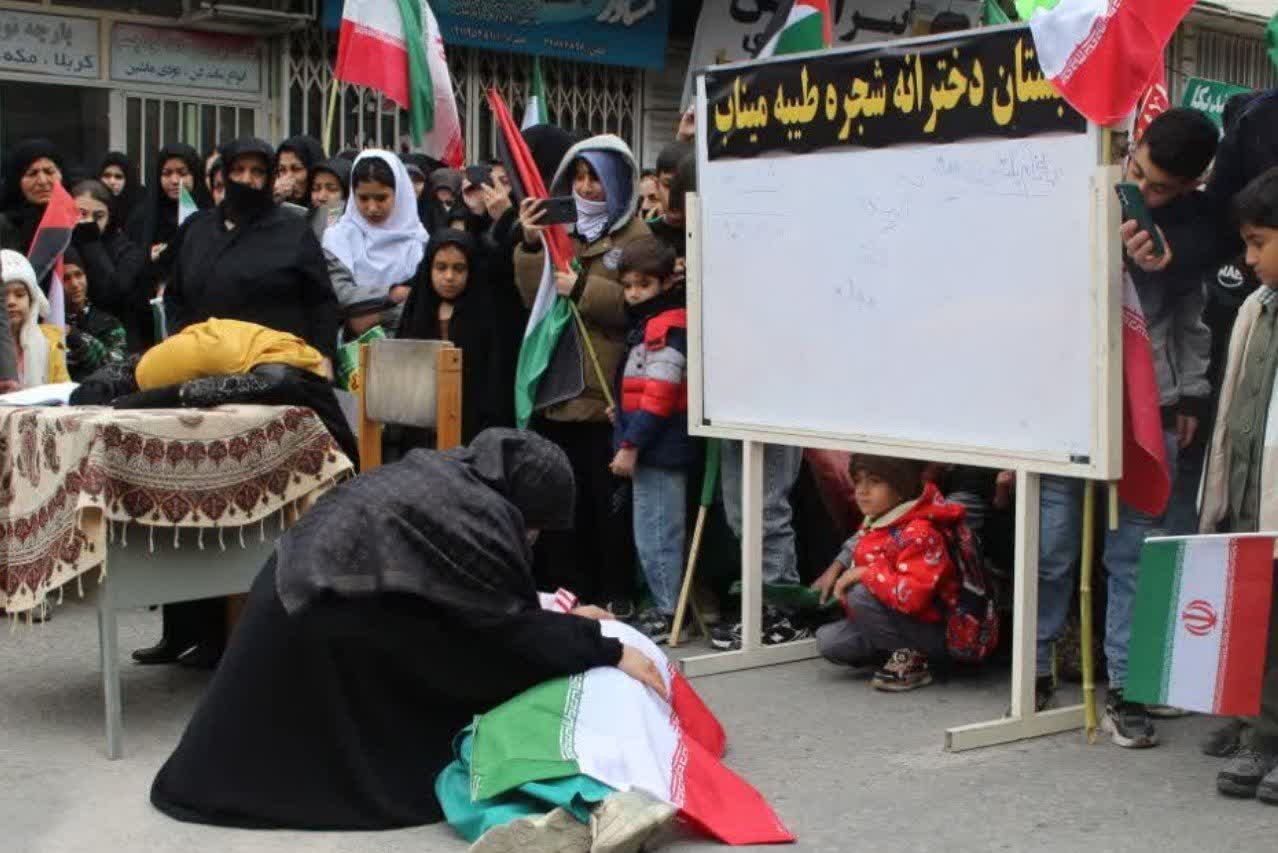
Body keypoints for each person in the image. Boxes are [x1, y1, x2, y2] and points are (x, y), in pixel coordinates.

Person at [149, 428, 665, 830]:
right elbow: (504, 635)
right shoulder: (482, 517)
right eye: (538, 525)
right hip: (321, 626)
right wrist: (605, 648)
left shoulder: (448, 477)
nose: (533, 538)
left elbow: (470, 599)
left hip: (294, 600)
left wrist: (559, 621)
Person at [1037, 108, 1218, 745]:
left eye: (1159, 188)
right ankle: (1033, 669)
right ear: (1131, 146)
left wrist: (1189, 396)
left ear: (1192, 186)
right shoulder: (1077, 192)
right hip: (1067, 406)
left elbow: (1193, 322)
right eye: (1135, 171)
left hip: (1148, 414)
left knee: (1134, 555)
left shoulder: (1194, 232)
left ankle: (1127, 686)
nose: (1140, 190)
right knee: (1052, 546)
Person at [515, 133, 648, 614]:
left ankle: (614, 594)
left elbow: (637, 306)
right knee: (559, 504)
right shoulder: (560, 231)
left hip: (603, 395)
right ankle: (563, 594)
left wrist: (584, 287)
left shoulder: (637, 237)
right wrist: (531, 245)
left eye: (597, 178)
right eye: (580, 177)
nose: (587, 188)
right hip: (555, 390)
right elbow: (533, 299)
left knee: (605, 505)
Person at [1199, 167, 1278, 805]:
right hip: (1257, 496)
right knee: (1260, 621)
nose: (1248, 260)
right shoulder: (1257, 307)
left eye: (1258, 243)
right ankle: (1260, 732)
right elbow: (1232, 407)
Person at [164, 137, 337, 366]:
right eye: (239, 170)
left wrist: (324, 358)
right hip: (203, 363)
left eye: (257, 171)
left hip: (277, 366)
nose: (247, 179)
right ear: (226, 174)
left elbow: (321, 301)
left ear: (270, 177)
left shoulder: (294, 231)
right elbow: (175, 296)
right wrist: (184, 344)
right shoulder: (198, 229)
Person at [812, 456, 964, 691]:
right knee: (829, 642)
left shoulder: (921, 531)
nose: (862, 491)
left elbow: (913, 598)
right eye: (858, 481)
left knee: (859, 593)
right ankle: (897, 650)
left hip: (933, 629)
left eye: (875, 481)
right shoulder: (880, 517)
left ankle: (914, 661)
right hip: (898, 619)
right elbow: (860, 546)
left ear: (901, 486)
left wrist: (866, 573)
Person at [606, 236, 692, 643]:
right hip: (652, 442)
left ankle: (668, 610)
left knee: (658, 532)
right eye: (627, 285)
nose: (634, 293)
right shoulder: (649, 323)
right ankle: (663, 605)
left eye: (644, 284)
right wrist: (622, 416)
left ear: (666, 282)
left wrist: (630, 444)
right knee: (651, 529)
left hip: (660, 447)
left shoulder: (665, 325)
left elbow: (661, 393)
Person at [399, 229, 505, 443]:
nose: (449, 277)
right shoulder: (418, 310)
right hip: (421, 423)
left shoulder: (484, 313)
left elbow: (492, 376)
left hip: (471, 425)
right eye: (441, 267)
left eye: (458, 268)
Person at [322, 151, 426, 337]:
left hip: (409, 343)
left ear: (399, 193)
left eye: (381, 198)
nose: (371, 208)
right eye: (363, 198)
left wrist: (374, 316)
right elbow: (340, 294)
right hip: (350, 347)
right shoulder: (337, 239)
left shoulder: (418, 241)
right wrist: (393, 295)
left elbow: (425, 302)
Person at [69, 179, 148, 352]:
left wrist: (89, 239)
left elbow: (112, 293)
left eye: (98, 217)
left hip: (115, 343)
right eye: (81, 214)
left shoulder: (128, 252)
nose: (88, 221)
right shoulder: (62, 245)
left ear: (109, 217)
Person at [126, 143, 212, 264]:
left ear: (195, 175)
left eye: (182, 173)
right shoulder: (142, 218)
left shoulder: (210, 216)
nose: (174, 180)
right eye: (167, 173)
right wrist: (146, 257)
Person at [3, 249, 69, 386]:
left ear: (32, 301)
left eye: (20, 295)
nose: (11, 302)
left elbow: (62, 389)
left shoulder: (50, 341)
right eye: (2, 296)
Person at [61, 246, 126, 381]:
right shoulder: (49, 327)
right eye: (66, 278)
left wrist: (75, 336)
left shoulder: (109, 324)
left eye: (78, 275)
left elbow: (116, 370)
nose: (75, 284)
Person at [0, 139, 66, 253]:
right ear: (16, 181)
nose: (42, 181)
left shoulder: (79, 218)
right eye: (32, 173)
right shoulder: (4, 226)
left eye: (49, 172)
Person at [274, 134, 325, 208]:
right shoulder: (276, 201)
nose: (287, 178)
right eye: (282, 170)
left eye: (296, 169)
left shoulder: (328, 200)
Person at [97, 151, 145, 227]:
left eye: (118, 177)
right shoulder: (93, 201)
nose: (112, 182)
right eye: (107, 175)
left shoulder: (140, 205)